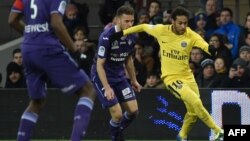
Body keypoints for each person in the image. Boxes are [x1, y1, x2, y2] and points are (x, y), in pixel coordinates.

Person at [110, 6, 224, 141]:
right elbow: (143, 27)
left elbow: (203, 44)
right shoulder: (161, 30)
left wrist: (210, 49)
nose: (183, 26)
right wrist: (123, 33)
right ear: (172, 21)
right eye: (180, 23)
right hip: (171, 78)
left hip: (188, 77)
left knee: (193, 112)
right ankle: (218, 131)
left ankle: (182, 136)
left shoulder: (190, 34)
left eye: (185, 23)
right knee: (196, 102)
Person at [8, 0, 96, 141]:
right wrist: (74, 50)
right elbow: (56, 23)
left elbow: (12, 20)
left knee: (36, 102)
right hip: (47, 49)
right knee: (88, 89)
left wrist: (32, 35)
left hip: (28, 50)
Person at [91, 5, 142, 141]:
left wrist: (133, 80)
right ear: (118, 20)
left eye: (132, 21)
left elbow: (129, 59)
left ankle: (116, 132)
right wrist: (107, 88)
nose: (130, 24)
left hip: (119, 77)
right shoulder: (107, 37)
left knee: (133, 111)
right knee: (117, 114)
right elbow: (99, 65)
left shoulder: (132, 36)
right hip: (102, 76)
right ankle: (116, 138)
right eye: (126, 21)